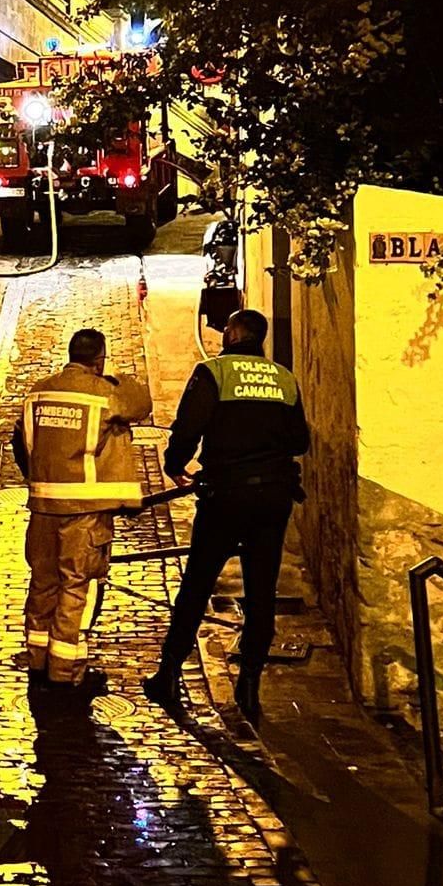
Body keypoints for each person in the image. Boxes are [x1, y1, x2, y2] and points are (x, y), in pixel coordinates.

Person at [143, 307, 309, 727]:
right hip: (273, 496)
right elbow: (299, 440)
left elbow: (188, 426)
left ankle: (168, 674)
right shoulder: (284, 378)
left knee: (198, 585)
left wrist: (176, 462)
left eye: (226, 326)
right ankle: (249, 682)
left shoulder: (213, 372)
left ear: (234, 333)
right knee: (261, 590)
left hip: (226, 495)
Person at [11, 328, 153, 690]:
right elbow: (141, 403)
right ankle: (65, 670)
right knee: (77, 586)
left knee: (43, 582)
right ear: (98, 358)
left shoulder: (39, 391)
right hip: (84, 508)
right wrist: (114, 375)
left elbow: (21, 443)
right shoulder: (105, 394)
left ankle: (37, 659)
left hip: (43, 504)